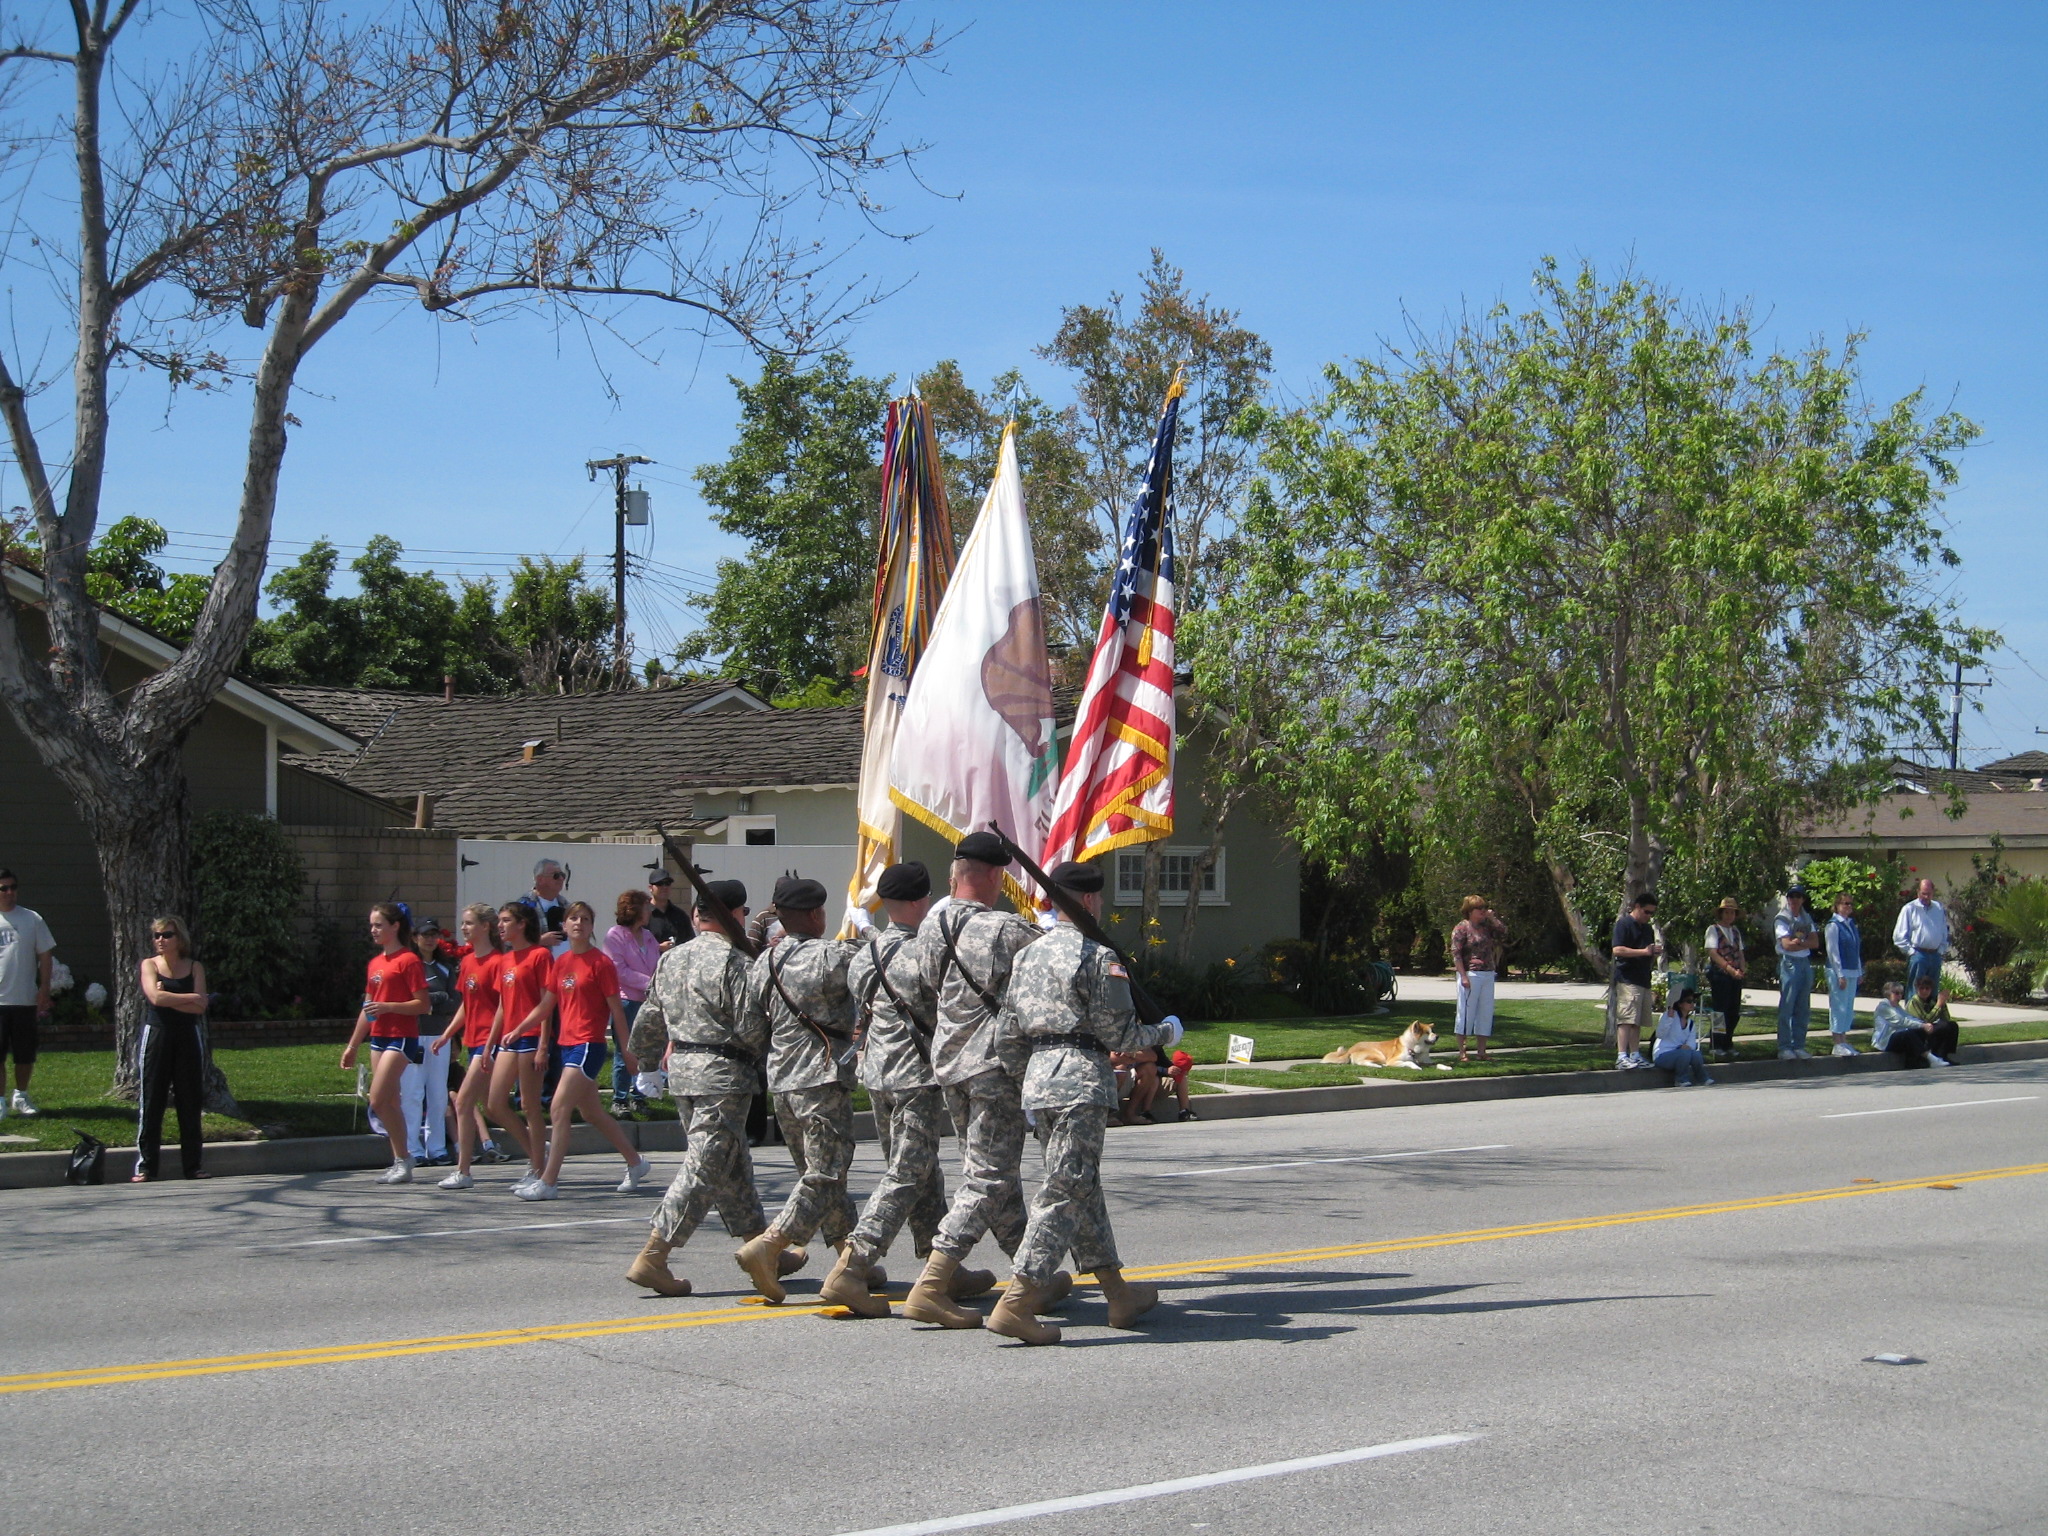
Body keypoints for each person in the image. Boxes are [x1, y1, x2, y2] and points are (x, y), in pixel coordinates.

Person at [984, 859, 1186, 1344]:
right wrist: (1166, 1030)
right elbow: (1119, 1032)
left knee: (1081, 1186)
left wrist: (1031, 1079)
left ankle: (1118, 1294)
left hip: (1039, 1079)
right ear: (1092, 899)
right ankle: (1016, 1300)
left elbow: (1006, 1035)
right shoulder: (1098, 957)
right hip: (1080, 1081)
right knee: (1065, 1190)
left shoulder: (1028, 955)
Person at [824, 861, 990, 1316]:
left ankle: (944, 1270)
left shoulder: (864, 954)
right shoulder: (923, 952)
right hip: (916, 1074)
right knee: (906, 1173)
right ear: (921, 901)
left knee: (921, 1170)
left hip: (877, 1074)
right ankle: (851, 1266)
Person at [904, 831, 1053, 1328]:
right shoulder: (1005, 930)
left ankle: (1033, 1272)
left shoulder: (931, 925)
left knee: (992, 1169)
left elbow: (928, 987)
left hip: (949, 1061)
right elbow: (1048, 973)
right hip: (992, 1065)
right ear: (993, 875)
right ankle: (932, 1282)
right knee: (988, 1176)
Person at [623, 878, 788, 1299]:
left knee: (728, 1163)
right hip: (724, 1073)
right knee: (703, 1166)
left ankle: (761, 1243)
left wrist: (645, 1063)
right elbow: (751, 1028)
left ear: (698, 915)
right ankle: (655, 1254)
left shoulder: (672, 959)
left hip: (683, 1072)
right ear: (736, 915)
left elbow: (649, 1019)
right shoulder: (736, 962)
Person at [733, 876, 864, 1300]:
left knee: (821, 1175)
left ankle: (851, 1260)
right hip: (822, 1077)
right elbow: (877, 966)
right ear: (814, 914)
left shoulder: (764, 964)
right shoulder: (831, 956)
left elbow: (750, 1032)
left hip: (782, 1081)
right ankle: (769, 1245)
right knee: (828, 1172)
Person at [515, 901, 651, 1201]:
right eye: (573, 918)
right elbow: (545, 1006)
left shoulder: (600, 963)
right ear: (564, 925)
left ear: (592, 927)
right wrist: (519, 1028)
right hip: (566, 1045)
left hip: (589, 1044)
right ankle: (636, 1162)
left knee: (559, 1108)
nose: (579, 923)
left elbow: (617, 1010)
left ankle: (548, 1181)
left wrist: (627, 1050)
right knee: (591, 1113)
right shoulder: (560, 963)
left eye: (585, 919)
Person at [432, 903, 530, 1189]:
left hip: (492, 1041)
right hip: (474, 1040)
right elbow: (467, 1005)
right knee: (493, 1108)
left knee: (462, 1101)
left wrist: (489, 1045)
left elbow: (502, 1005)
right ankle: (538, 1151)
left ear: (485, 926)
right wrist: (448, 1033)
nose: (464, 929)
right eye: (463, 924)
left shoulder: (500, 962)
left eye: (469, 923)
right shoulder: (468, 963)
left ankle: (463, 1171)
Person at [339, 904, 432, 1184]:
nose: (374, 930)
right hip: (378, 1037)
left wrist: (389, 1006)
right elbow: (368, 1008)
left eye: (379, 925)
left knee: (377, 1098)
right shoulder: (375, 964)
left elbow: (422, 1004)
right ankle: (401, 1159)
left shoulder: (409, 961)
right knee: (390, 1101)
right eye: (372, 925)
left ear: (395, 926)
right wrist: (353, 1045)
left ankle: (405, 1157)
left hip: (401, 1037)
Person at [487, 903, 558, 1193]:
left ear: (522, 924)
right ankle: (537, 1151)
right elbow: (503, 1006)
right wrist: (490, 1043)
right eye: (499, 921)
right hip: (509, 1039)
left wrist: (543, 1045)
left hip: (530, 1039)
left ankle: (539, 1170)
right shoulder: (505, 960)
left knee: (529, 1106)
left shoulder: (540, 956)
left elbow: (546, 1004)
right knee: (494, 1104)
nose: (500, 926)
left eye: (506, 921)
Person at [134, 915, 211, 1180]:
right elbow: (155, 998)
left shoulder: (194, 967)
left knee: (190, 1101)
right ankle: (146, 1166)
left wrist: (171, 997)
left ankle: (193, 1165)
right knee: (152, 1100)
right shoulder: (149, 965)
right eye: (156, 936)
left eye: (167, 935)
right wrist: (190, 997)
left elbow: (201, 1007)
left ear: (179, 938)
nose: (160, 941)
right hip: (158, 1036)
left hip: (187, 1036)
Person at [0, 868, 56, 1119]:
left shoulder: (32, 919)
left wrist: (44, 988)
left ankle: (20, 1095)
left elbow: (45, 954)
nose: (10, 893)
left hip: (24, 999)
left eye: (13, 887)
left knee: (25, 1053)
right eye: (4, 888)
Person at [409, 919, 459, 1164]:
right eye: (425, 934)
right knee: (413, 1092)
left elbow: (454, 1001)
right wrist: (433, 1001)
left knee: (438, 1093)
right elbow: (409, 1000)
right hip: (414, 1035)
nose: (429, 939)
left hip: (439, 1035)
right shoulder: (409, 965)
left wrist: (430, 1002)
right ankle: (413, 1149)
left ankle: (437, 1147)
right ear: (415, 937)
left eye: (434, 935)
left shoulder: (445, 967)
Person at [1451, 895, 1508, 1064]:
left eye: (1484, 908)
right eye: (1479, 909)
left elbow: (1503, 933)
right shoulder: (1461, 928)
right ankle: (1463, 1051)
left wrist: (1492, 917)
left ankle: (1481, 1051)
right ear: (1470, 911)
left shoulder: (1487, 927)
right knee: (1466, 1012)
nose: (1483, 911)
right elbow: (1456, 954)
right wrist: (1463, 975)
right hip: (1471, 973)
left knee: (1485, 1012)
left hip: (1487, 972)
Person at [1609, 892, 1662, 1070]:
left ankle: (1635, 1054)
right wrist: (1643, 952)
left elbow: (1646, 950)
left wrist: (1653, 952)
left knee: (1638, 1020)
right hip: (1627, 978)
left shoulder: (1647, 929)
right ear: (1637, 907)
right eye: (1647, 912)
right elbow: (1617, 950)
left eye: (1652, 913)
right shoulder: (1623, 924)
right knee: (1627, 1018)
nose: (1649, 916)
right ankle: (1621, 1056)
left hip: (1643, 978)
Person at [1774, 885, 1820, 1060]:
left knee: (1803, 1006)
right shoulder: (1782, 918)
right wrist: (1801, 941)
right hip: (1789, 963)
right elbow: (1786, 945)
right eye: (1792, 896)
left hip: (1804, 962)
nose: (1794, 900)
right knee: (1787, 1005)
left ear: (1803, 899)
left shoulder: (1806, 917)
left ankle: (1799, 1044)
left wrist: (1798, 941)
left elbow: (1815, 942)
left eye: (1798, 897)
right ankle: (1784, 1046)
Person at [1872, 979, 1956, 1068]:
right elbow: (1901, 1021)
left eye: (1901, 993)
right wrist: (1922, 1025)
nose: (1899, 996)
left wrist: (1925, 1025)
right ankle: (1932, 1059)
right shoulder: (1884, 1007)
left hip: (1898, 1037)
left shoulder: (1897, 1007)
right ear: (1887, 993)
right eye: (1896, 993)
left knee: (1920, 1031)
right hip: (1885, 1041)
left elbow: (1909, 1017)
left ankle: (1933, 1058)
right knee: (1908, 1034)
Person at [1823, 890, 1864, 1057]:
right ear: (1837, 905)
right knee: (1838, 1007)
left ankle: (1844, 1040)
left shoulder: (1851, 925)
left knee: (1848, 1008)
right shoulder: (1833, 925)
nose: (1848, 907)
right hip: (1838, 972)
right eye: (1844, 903)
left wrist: (1859, 971)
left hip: (1852, 970)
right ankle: (1837, 1042)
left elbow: (1856, 950)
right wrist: (1839, 974)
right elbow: (1833, 952)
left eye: (1850, 903)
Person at [1704, 898, 1746, 1058]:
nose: (1729, 915)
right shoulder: (1713, 929)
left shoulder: (1735, 931)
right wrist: (1728, 968)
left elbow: (1740, 952)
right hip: (1720, 974)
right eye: (1727, 912)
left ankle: (1728, 1042)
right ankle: (1716, 1043)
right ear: (1721, 913)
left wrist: (1742, 968)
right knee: (1719, 1010)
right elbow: (1713, 953)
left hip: (1735, 975)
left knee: (1733, 1010)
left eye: (1732, 912)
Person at [1892, 879, 1950, 995]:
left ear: (1933, 892)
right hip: (1919, 955)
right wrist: (1911, 952)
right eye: (1923, 893)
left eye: (1929, 893)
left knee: (1932, 991)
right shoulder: (1910, 908)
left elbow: (1943, 931)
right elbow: (1899, 936)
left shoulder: (1938, 908)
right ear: (1918, 892)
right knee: (1915, 991)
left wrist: (1941, 950)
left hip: (1935, 955)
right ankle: (1912, 1013)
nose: (1926, 896)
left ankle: (1930, 1013)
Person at [1651, 987, 1713, 1087]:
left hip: (1681, 1053)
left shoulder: (1690, 1023)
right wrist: (1669, 1019)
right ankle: (1680, 1079)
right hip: (1662, 1055)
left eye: (1693, 1001)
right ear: (1680, 1004)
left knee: (1696, 1054)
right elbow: (1660, 1034)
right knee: (1684, 1054)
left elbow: (1691, 1044)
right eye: (1689, 1001)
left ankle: (1702, 1078)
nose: (1692, 1004)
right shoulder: (1668, 1016)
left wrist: (1686, 1047)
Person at [1898, 974, 1962, 1067]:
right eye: (1921, 988)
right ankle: (1933, 1057)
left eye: (1927, 988)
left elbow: (1946, 1018)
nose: (1924, 991)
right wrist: (1938, 1005)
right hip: (1917, 1031)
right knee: (1943, 1026)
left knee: (1951, 1025)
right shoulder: (1914, 1002)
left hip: (1930, 1028)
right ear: (1917, 989)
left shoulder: (1932, 1001)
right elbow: (1925, 1020)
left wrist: (1942, 1003)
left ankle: (1943, 1055)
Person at [521, 858, 570, 948]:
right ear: (540, 879)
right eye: (556, 875)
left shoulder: (565, 904)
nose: (561, 879)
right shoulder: (523, 906)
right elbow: (510, 942)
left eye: (562, 875)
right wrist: (539, 941)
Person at [644, 870, 686, 951]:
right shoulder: (642, 914)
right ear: (650, 888)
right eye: (659, 884)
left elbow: (689, 941)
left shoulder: (680, 915)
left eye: (667, 883)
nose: (664, 887)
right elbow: (633, 947)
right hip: (651, 963)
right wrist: (658, 947)